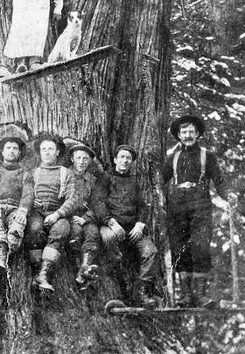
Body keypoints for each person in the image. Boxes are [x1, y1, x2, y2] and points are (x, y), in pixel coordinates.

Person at [163, 113, 229, 307]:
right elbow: (161, 180)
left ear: (198, 134)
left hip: (200, 205)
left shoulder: (207, 156)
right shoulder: (172, 157)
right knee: (179, 249)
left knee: (200, 248)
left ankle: (200, 295)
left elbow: (219, 180)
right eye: (184, 132)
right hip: (177, 207)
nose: (188, 135)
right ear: (179, 135)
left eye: (191, 132)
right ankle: (185, 296)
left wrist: (228, 196)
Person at [98, 145, 159, 307]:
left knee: (150, 251)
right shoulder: (105, 178)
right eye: (122, 157)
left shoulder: (134, 181)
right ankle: (121, 291)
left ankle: (142, 293)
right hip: (110, 225)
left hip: (131, 228)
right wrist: (111, 222)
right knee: (109, 240)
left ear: (131, 162)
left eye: (128, 158)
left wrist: (139, 225)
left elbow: (144, 206)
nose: (125, 161)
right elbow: (98, 203)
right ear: (115, 160)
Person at [25, 132, 76, 292]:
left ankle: (44, 274)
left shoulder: (66, 173)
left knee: (61, 230)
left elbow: (72, 199)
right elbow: (26, 195)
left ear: (57, 152)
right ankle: (36, 272)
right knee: (34, 229)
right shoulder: (33, 173)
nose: (47, 152)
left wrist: (57, 214)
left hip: (58, 213)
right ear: (40, 153)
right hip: (38, 213)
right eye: (43, 149)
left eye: (50, 149)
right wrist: (32, 202)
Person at [0, 135, 34, 278]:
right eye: (8, 148)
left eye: (15, 148)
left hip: (15, 208)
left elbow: (28, 194)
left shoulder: (25, 174)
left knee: (17, 225)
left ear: (19, 152)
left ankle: (8, 257)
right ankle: (0, 258)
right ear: (2, 152)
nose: (11, 151)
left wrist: (23, 210)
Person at [66, 142, 103, 289]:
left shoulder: (92, 180)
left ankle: (85, 268)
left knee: (93, 234)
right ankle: (77, 269)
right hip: (69, 215)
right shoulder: (64, 175)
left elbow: (97, 203)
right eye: (78, 158)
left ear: (89, 161)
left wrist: (85, 218)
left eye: (85, 159)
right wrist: (70, 216)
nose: (81, 162)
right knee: (75, 234)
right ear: (72, 159)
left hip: (87, 217)